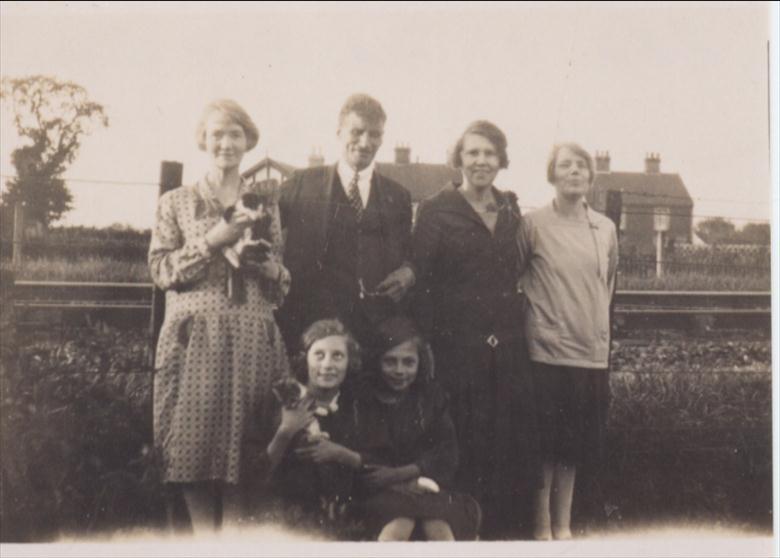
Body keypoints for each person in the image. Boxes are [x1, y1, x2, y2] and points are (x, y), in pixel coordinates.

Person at [148, 99, 291, 533]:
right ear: (203, 141)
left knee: (244, 448)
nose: (225, 143)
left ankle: (231, 539)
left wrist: (267, 267)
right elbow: (162, 271)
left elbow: (280, 285)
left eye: (235, 134)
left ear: (248, 142)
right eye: (217, 134)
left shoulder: (263, 204)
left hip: (251, 338)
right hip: (196, 340)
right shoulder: (177, 202)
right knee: (192, 447)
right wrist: (214, 240)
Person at [411, 121, 540, 539]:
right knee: (462, 439)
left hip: (506, 347)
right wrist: (426, 343)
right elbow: (421, 282)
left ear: (501, 159)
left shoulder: (510, 209)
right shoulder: (436, 209)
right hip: (457, 346)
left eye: (489, 153)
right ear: (459, 159)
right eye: (473, 153)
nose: (481, 161)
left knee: (503, 442)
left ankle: (499, 533)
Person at [517, 142, 618, 540]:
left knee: (573, 447)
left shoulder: (605, 228)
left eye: (581, 166)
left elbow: (607, 284)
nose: (574, 171)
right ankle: (541, 526)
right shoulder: (533, 224)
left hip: (590, 353)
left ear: (591, 177)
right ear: (552, 175)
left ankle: (564, 526)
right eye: (565, 165)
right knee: (545, 445)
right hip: (546, 352)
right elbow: (515, 278)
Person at [276, 93, 415, 356]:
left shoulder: (398, 196)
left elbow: (411, 251)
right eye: (357, 132)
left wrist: (410, 270)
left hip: (374, 332)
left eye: (374, 134)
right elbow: (264, 234)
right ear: (339, 132)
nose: (365, 142)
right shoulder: (301, 184)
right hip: (311, 331)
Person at [351, 316, 482, 541]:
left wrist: (404, 473)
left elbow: (446, 452)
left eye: (408, 362)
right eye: (390, 361)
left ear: (420, 362)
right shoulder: (364, 400)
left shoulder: (431, 396)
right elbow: (367, 460)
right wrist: (396, 481)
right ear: (376, 361)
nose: (400, 370)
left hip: (426, 487)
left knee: (438, 526)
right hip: (381, 492)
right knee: (399, 524)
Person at [258, 319, 363, 531]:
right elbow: (257, 475)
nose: (327, 365)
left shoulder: (355, 405)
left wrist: (340, 454)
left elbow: (374, 466)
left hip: (342, 514)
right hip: (286, 515)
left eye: (337, 356)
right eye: (319, 355)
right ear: (305, 359)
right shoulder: (282, 399)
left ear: (349, 362)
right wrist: (286, 431)